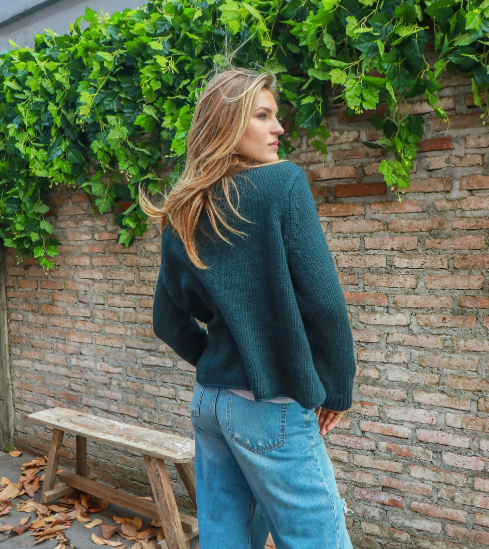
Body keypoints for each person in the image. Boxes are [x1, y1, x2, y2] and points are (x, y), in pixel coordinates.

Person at [139, 65, 356, 549]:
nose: (279, 127)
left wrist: (222, 363)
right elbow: (324, 303)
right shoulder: (282, 184)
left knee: (224, 539)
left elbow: (167, 321)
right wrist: (338, 390)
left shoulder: (184, 208)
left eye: (275, 115)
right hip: (268, 409)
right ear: (227, 124)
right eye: (263, 115)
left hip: (210, 405)